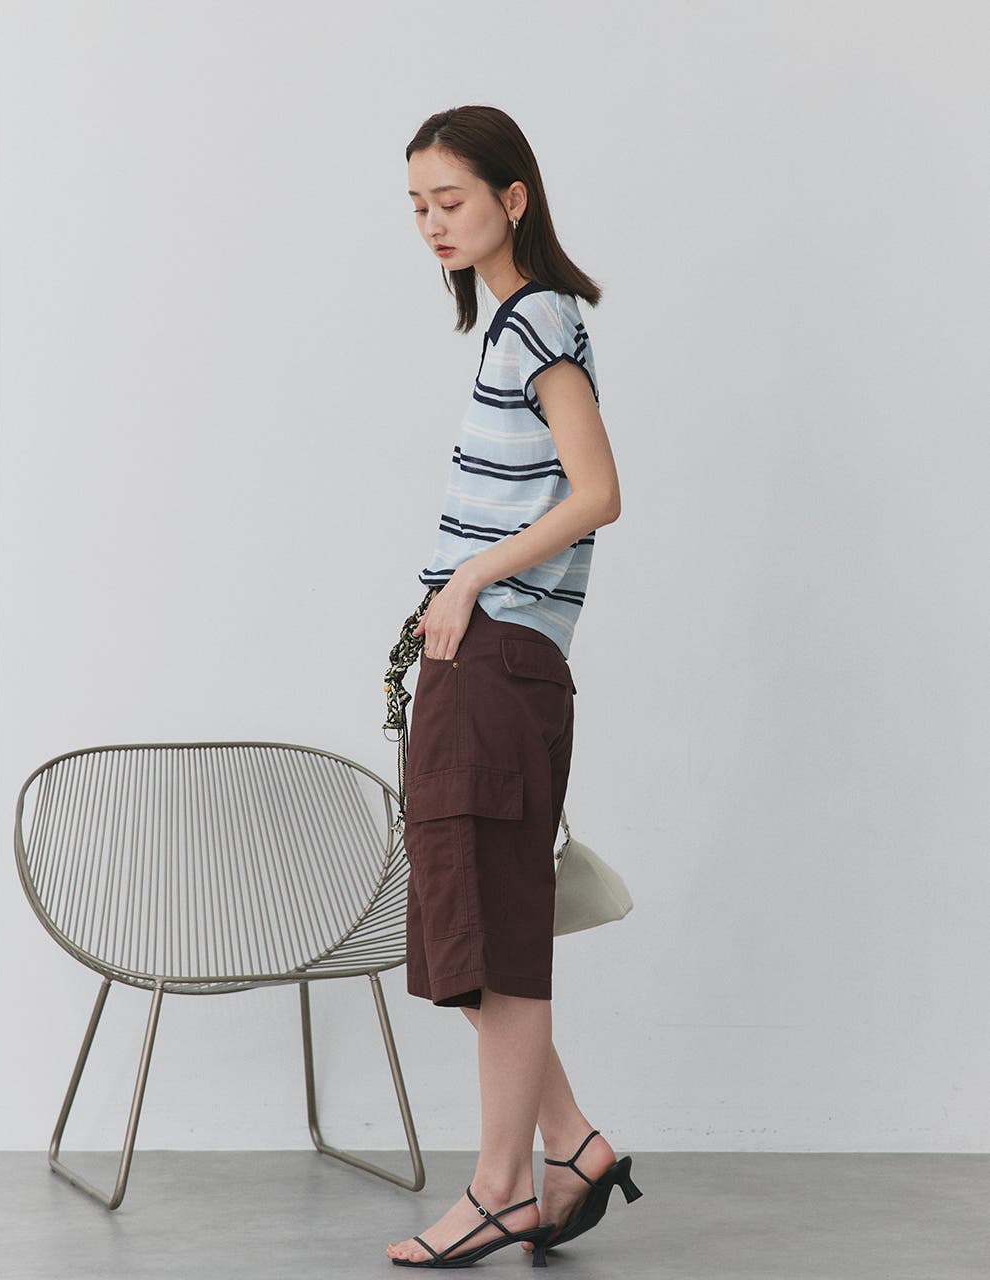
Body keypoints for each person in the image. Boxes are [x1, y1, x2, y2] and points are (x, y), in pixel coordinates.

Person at [385, 105, 637, 1268]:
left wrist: (472, 577)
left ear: (513, 197)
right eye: (417, 206)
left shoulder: (537, 319)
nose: (433, 223)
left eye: (451, 200)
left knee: (492, 937)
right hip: (482, 660)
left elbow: (597, 491)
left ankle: (498, 1189)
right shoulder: (519, 323)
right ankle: (570, 1142)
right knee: (478, 922)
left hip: (494, 657)